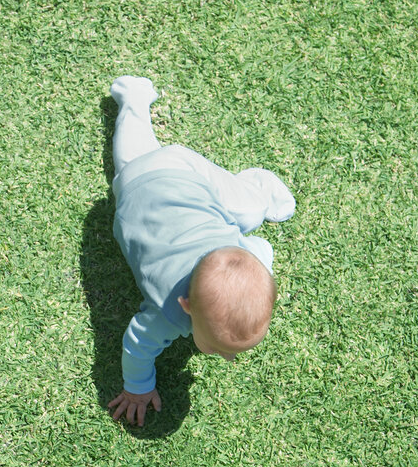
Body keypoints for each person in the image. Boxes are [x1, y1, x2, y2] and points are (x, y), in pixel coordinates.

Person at [106, 76, 295, 426]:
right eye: (221, 349)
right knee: (250, 211)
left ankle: (134, 98)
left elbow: (261, 248)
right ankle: (261, 186)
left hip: (149, 180)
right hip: (147, 183)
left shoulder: (249, 255)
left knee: (135, 150)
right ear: (185, 306)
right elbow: (136, 346)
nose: (226, 358)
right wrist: (137, 388)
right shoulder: (165, 315)